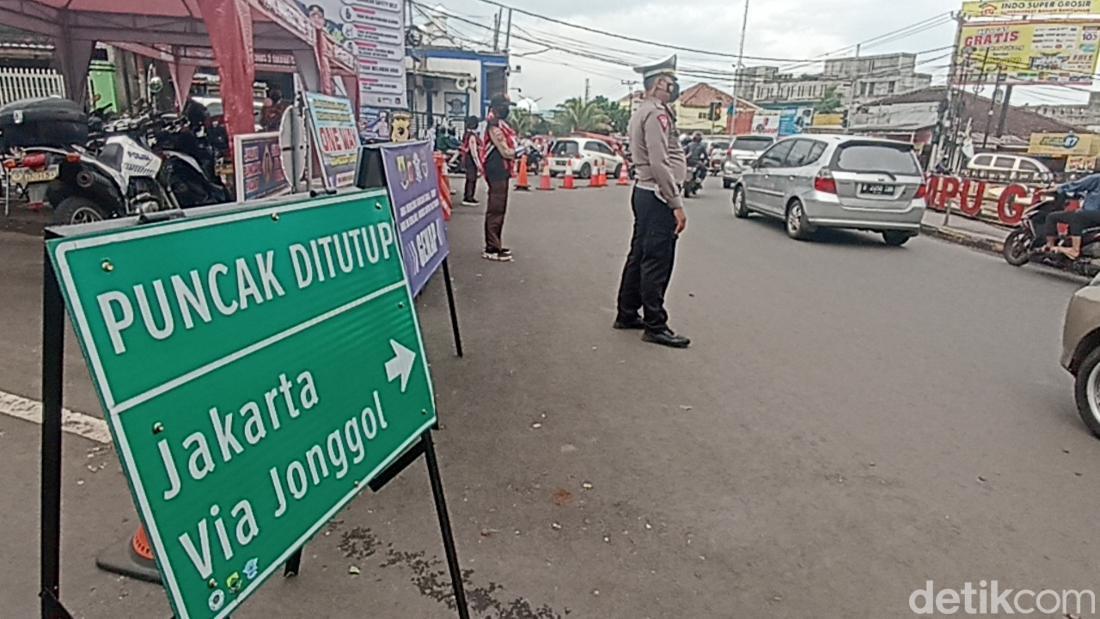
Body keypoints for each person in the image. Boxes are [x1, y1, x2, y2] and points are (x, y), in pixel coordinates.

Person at [614, 55, 690, 349]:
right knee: (657, 260)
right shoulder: (657, 114)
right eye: (670, 83)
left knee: (639, 255)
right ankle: (655, 324)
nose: (674, 88)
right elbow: (659, 162)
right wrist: (676, 203)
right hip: (657, 194)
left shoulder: (641, 111)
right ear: (660, 83)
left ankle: (627, 312)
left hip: (644, 191)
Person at [480, 95, 517, 262]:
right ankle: (492, 247)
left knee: (500, 208)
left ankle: (496, 243)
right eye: (504, 106)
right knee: (496, 208)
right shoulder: (493, 125)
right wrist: (518, 152)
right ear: (496, 107)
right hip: (496, 170)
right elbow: (505, 151)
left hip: (500, 170)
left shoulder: (501, 124)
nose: (507, 109)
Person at [1044, 172, 1100, 259]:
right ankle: (1051, 247)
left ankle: (1074, 250)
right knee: (1052, 216)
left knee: (1077, 216)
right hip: (1089, 216)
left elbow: (1076, 185)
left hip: (1092, 215)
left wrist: (1057, 188)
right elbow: (1078, 189)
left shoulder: (1097, 178)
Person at [459, 115, 482, 206]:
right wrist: (478, 164)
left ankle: (468, 196)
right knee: (472, 178)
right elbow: (474, 151)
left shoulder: (466, 134)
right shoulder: (472, 136)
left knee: (470, 178)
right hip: (471, 159)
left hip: (468, 158)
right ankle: (469, 197)